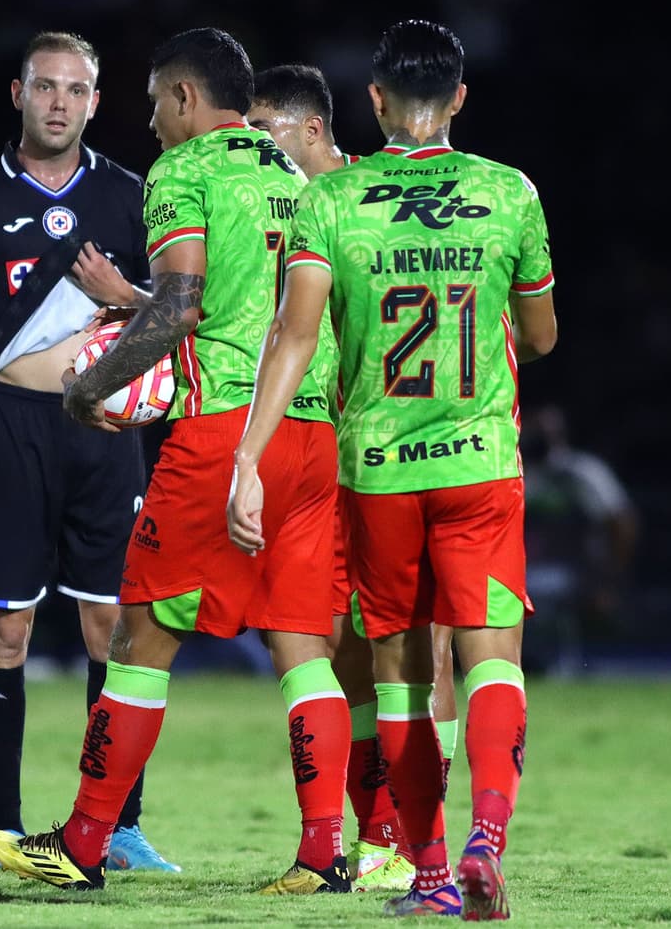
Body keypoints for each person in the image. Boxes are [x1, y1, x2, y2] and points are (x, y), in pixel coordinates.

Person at [0, 27, 351, 895]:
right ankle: (325, 851)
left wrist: (88, 390)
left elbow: (181, 306)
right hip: (310, 432)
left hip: (224, 432)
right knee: (302, 647)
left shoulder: (185, 174)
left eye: (152, 104)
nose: (149, 123)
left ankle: (81, 843)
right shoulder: (294, 175)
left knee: (139, 638)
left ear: (185, 98)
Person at [228, 19, 557, 919]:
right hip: (480, 461)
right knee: (491, 659)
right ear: (457, 99)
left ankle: (434, 872)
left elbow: (293, 340)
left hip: (378, 468)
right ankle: (490, 832)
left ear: (373, 103)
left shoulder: (330, 204)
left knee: (404, 676)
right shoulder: (509, 192)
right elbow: (541, 335)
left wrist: (249, 456)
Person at [0, 30, 176, 872]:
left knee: (111, 628)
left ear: (96, 102)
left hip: (105, 434)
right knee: (5, 630)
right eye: (45, 86)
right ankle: (6, 831)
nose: (59, 101)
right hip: (13, 426)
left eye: (76, 89)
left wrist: (120, 294)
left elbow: (179, 311)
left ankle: (117, 824)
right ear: (18, 95)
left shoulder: (134, 196)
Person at [249, 63, 463, 895]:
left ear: (310, 131)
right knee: (337, 652)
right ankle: (376, 836)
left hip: (401, 456)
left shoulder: (367, 198)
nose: (251, 151)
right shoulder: (300, 210)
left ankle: (421, 843)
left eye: (262, 133)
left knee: (415, 649)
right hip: (327, 463)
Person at [521, 404, 638, 673]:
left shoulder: (583, 472)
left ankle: (574, 663)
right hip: (526, 567)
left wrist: (611, 577)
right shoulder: (515, 470)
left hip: (581, 569)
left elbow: (623, 522)